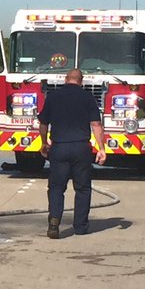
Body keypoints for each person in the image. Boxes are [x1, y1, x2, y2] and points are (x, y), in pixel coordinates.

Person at [37, 69, 107, 238]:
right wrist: (101, 148)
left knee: (56, 187)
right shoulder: (87, 97)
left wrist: (44, 142)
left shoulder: (53, 97)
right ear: (81, 81)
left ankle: (54, 222)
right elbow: (96, 125)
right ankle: (81, 226)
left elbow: (43, 123)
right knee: (82, 188)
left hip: (59, 147)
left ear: (65, 79)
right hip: (81, 147)